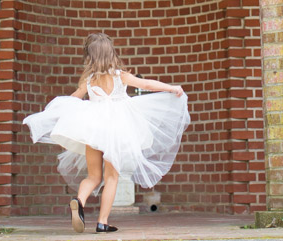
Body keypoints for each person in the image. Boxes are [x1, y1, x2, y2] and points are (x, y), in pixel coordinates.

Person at [23, 32, 190, 234]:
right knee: (111, 177)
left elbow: (74, 99)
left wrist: (53, 113)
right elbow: (146, 84)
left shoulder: (89, 80)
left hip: (93, 130)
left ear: (90, 56)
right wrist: (171, 88)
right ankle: (102, 222)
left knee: (93, 176)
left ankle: (79, 200)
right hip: (117, 131)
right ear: (111, 54)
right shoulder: (121, 76)